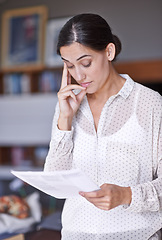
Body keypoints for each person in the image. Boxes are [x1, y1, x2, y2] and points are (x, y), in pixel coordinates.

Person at [44, 13, 162, 240]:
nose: (79, 75)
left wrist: (126, 195)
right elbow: (55, 183)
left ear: (109, 52)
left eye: (85, 63)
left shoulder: (150, 104)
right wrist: (65, 121)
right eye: (69, 66)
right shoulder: (66, 105)